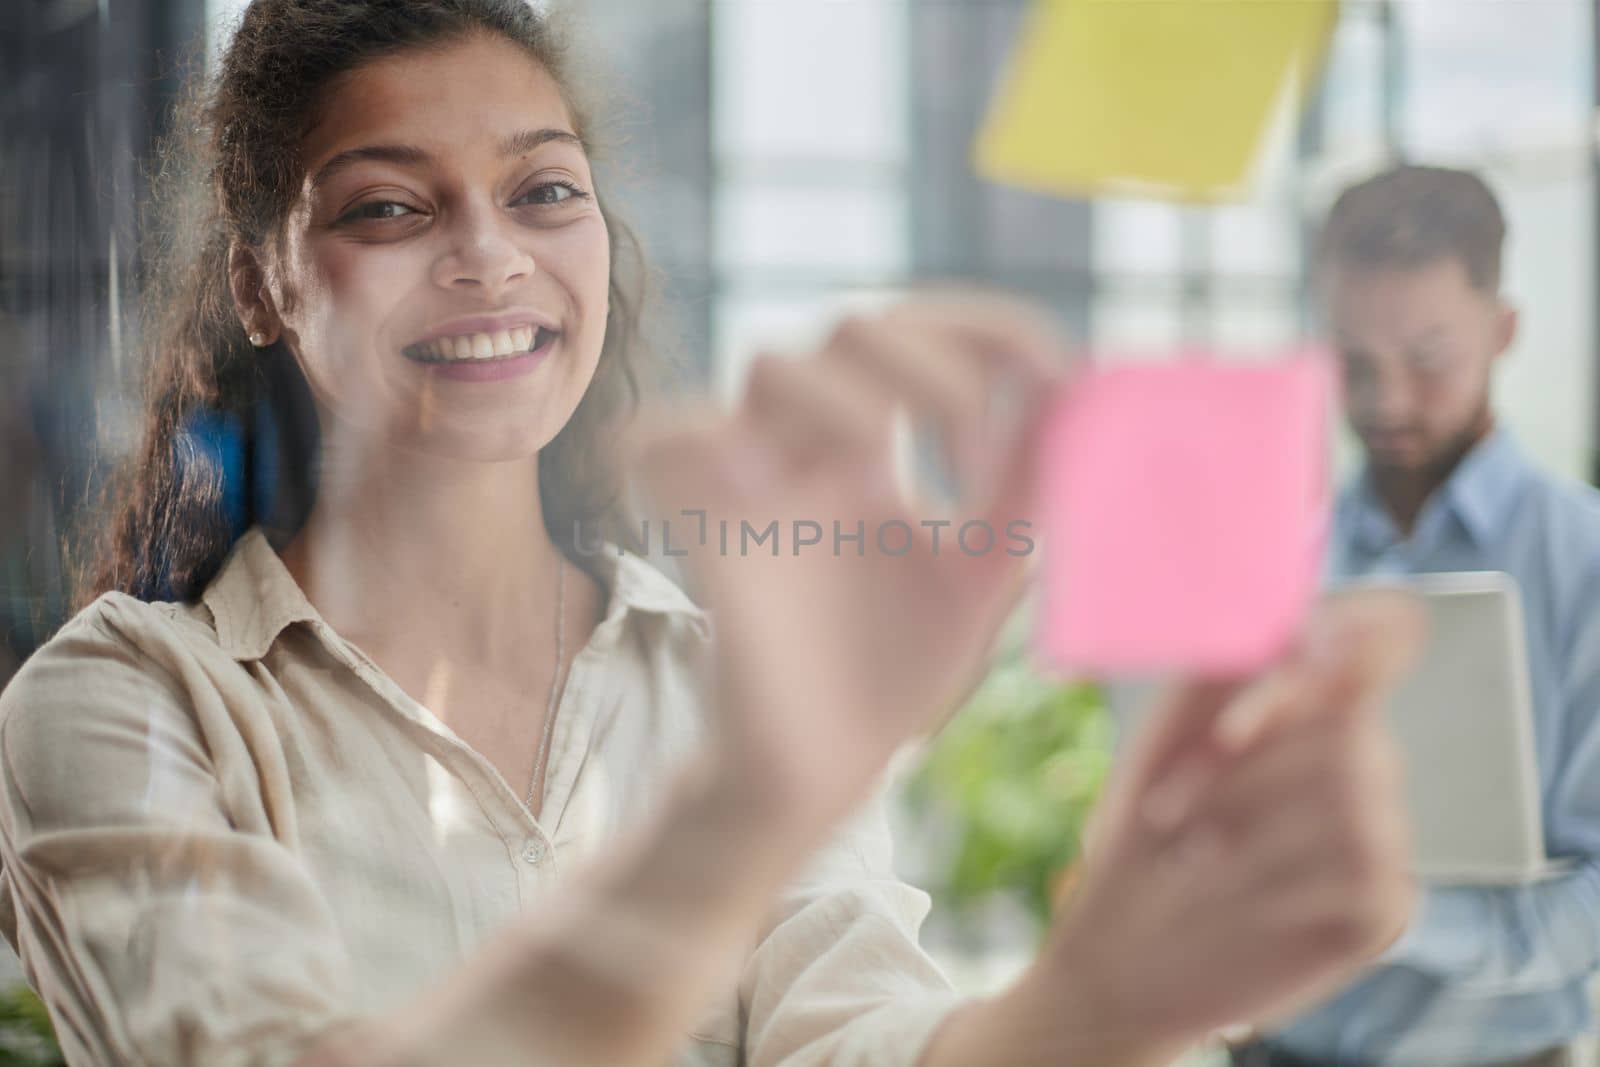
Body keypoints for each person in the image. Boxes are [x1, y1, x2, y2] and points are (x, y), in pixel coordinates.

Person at [0, 3, 1425, 1065]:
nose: (490, 251)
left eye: (543, 189)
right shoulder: (126, 702)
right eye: (389, 204)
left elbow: (857, 1033)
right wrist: (748, 797)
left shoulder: (725, 677)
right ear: (261, 281)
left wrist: (1098, 997)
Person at [1235, 166, 1600, 1067]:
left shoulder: (1583, 560)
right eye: (1353, 364)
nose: (1387, 401)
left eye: (1428, 358)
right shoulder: (1281, 555)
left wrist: (1398, 916)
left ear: (1503, 329)